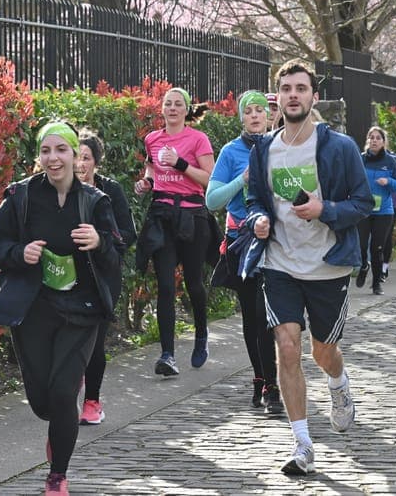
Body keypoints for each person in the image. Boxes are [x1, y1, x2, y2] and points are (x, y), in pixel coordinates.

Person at [241, 60, 372, 475]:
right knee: (287, 346)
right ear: (276, 96)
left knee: (323, 352)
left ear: (314, 96)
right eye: (286, 88)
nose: (293, 95)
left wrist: (324, 209)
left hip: (327, 267)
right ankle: (302, 445)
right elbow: (254, 200)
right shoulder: (264, 148)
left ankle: (339, 384)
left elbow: (362, 204)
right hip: (279, 264)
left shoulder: (340, 147)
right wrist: (258, 219)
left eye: (301, 88)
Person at [0, 122, 124, 495]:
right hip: (35, 309)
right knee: (44, 402)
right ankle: (57, 427)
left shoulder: (95, 202)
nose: (53, 158)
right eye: (46, 151)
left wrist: (98, 242)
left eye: (61, 150)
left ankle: (57, 476)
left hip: (82, 309)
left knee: (64, 393)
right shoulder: (21, 196)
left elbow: (116, 258)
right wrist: (20, 253)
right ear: (39, 156)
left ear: (75, 154)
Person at [134, 87, 218, 377]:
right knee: (166, 286)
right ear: (162, 109)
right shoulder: (152, 139)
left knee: (194, 283)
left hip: (192, 216)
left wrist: (181, 164)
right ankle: (167, 354)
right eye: (167, 104)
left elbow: (209, 179)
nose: (172, 108)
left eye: (177, 104)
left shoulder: (198, 139)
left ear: (186, 109)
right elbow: (151, 169)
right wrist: (146, 182)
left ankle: (201, 337)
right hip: (162, 217)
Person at [206, 90, 281, 414]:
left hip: (278, 241)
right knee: (252, 316)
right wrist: (243, 179)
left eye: (259, 110)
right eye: (248, 111)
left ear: (269, 116)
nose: (254, 115)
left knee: (268, 316)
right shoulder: (230, 151)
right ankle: (261, 378)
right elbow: (212, 200)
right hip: (242, 241)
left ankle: (273, 385)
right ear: (241, 117)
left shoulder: (281, 147)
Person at [76, 130, 137, 426]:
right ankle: (73, 379)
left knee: (95, 341)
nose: (79, 163)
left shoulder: (109, 192)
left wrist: (101, 241)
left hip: (103, 274)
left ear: (96, 163)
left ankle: (92, 401)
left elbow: (127, 233)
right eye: (75, 156)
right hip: (70, 274)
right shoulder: (58, 190)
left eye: (85, 158)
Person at [358, 126, 396, 294]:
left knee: (377, 248)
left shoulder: (390, 161)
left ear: (384, 142)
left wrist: (389, 182)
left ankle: (376, 283)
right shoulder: (361, 159)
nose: (374, 140)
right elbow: (352, 180)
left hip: (384, 211)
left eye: (378, 138)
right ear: (367, 141)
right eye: (371, 137)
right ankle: (364, 265)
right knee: (362, 245)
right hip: (364, 208)